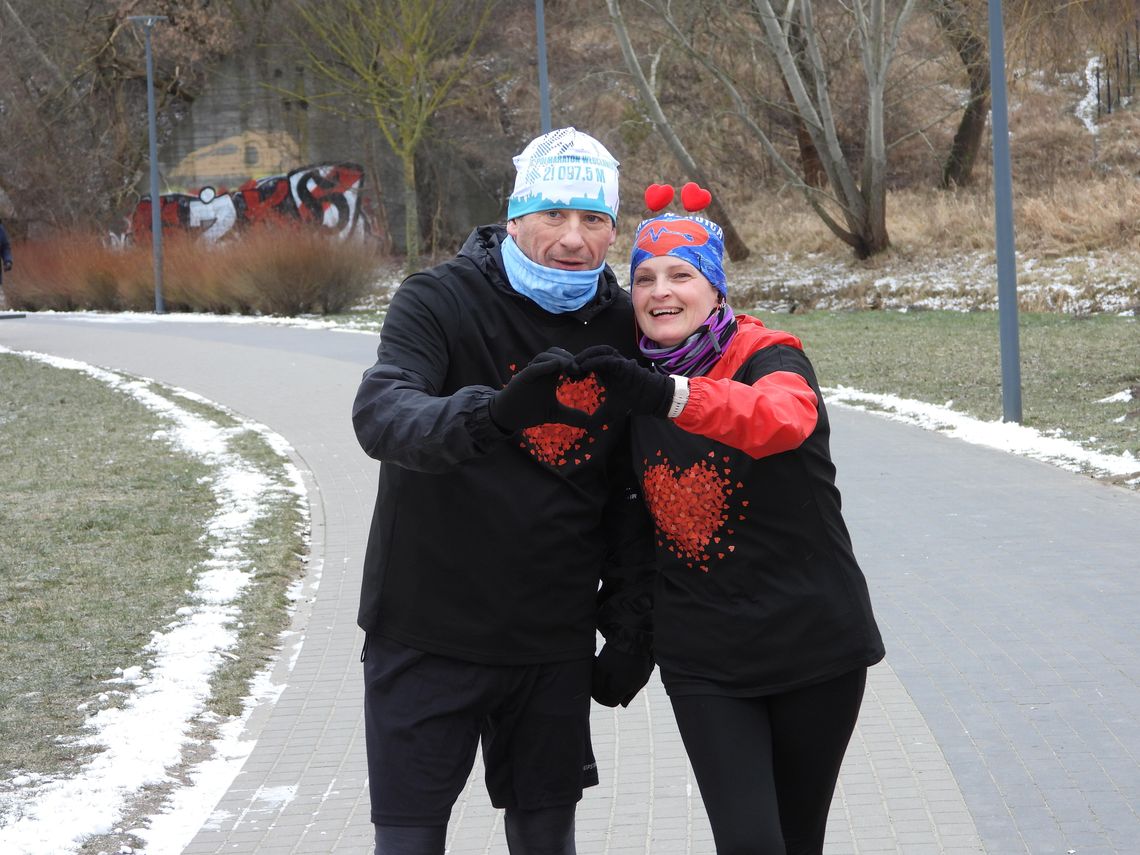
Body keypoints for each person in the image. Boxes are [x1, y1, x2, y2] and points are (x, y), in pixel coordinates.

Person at [351, 128, 656, 855]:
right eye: (554, 214)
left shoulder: (624, 325)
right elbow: (382, 413)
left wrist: (633, 621)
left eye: (594, 219)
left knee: (547, 837)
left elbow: (630, 488)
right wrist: (488, 415)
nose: (573, 238)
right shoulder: (438, 299)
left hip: (549, 639)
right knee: (409, 841)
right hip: (426, 629)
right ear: (515, 216)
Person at [576, 188, 885, 855]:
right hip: (704, 655)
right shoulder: (631, 378)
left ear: (716, 289)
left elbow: (782, 419)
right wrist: (630, 633)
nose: (661, 291)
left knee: (797, 840)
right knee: (748, 842)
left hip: (812, 643)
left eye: (681, 274)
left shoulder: (771, 356)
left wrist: (672, 395)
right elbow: (635, 523)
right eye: (645, 278)